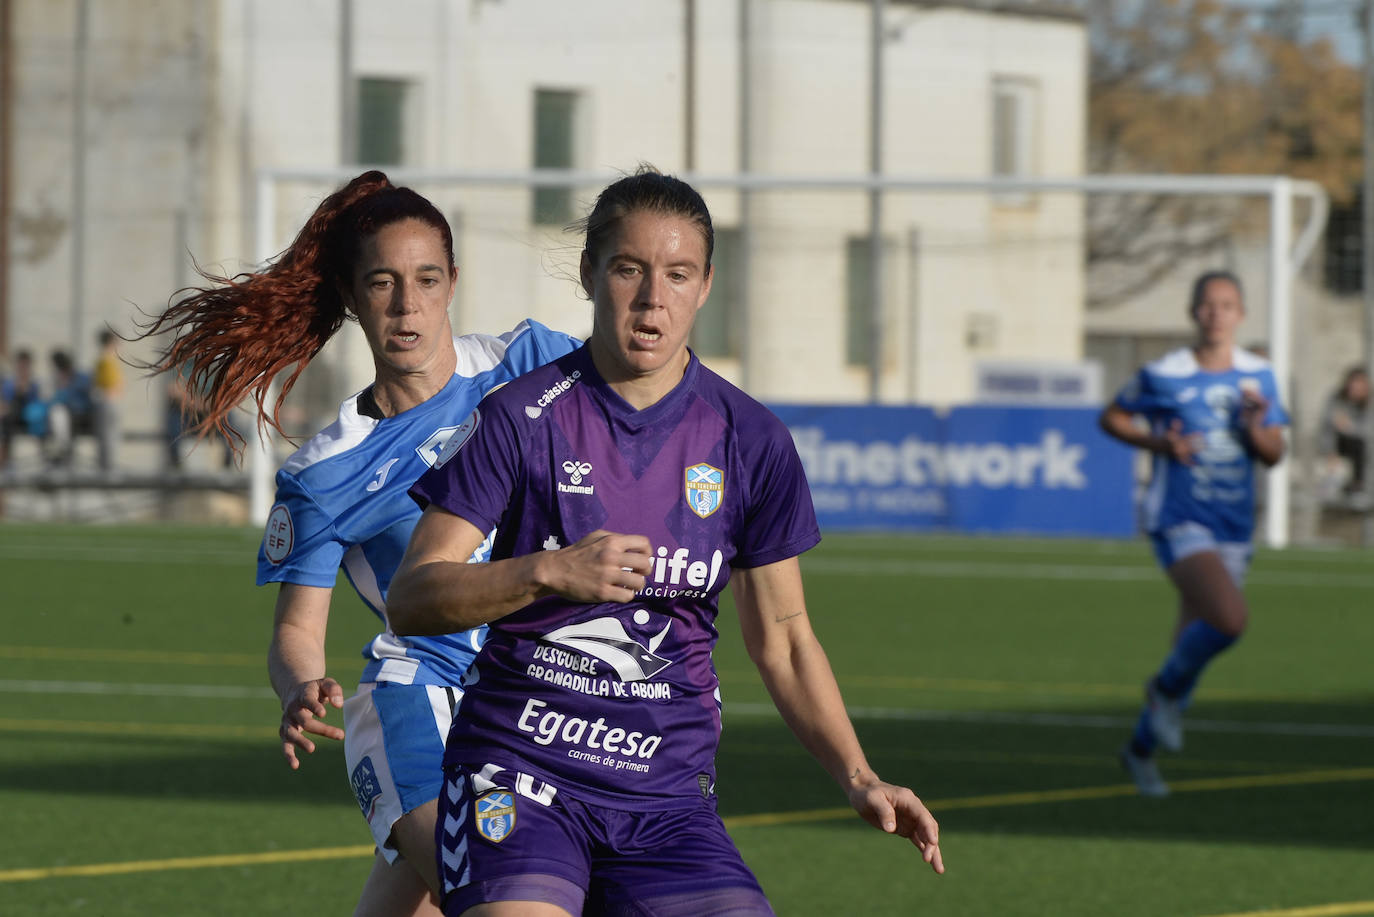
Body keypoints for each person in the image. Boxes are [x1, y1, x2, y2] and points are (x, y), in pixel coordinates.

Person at [387, 166, 944, 917]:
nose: (654, 299)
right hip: (519, 772)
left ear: (706, 284)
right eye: (629, 269)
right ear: (589, 272)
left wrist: (859, 774)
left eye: (678, 275)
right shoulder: (521, 417)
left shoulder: (751, 438)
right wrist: (548, 571)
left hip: (668, 800)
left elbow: (783, 636)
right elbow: (414, 596)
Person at [135, 170, 582, 917]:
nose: (407, 305)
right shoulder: (327, 470)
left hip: (547, 700)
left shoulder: (528, 364)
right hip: (421, 702)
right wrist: (300, 688)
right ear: (352, 296)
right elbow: (295, 631)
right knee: (504, 903)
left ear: (452, 283)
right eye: (383, 283)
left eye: (426, 279)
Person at [1099, 269, 1288, 797]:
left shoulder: (1260, 376)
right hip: (1179, 518)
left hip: (1233, 524)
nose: (1216, 313)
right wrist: (1161, 446)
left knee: (1189, 647)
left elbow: (1274, 453)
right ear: (1193, 312)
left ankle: (1139, 751)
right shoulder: (1165, 373)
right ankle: (1161, 693)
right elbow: (1111, 417)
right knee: (1229, 620)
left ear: (1242, 314)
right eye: (1207, 304)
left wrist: (1255, 429)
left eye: (1227, 305)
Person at [1317, 365, 1369, 502]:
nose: (1356, 389)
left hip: (1362, 449)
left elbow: (1368, 432)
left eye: (1360, 384)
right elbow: (1327, 427)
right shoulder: (1336, 400)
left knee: (1361, 446)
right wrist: (1330, 451)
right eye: (1353, 384)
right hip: (1338, 447)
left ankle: (1358, 486)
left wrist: (1350, 427)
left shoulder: (1369, 404)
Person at [45, 349, 94, 467]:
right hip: (66, 417)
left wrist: (65, 387)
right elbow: (54, 401)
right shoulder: (57, 380)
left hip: (80, 415)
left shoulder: (81, 378)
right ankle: (61, 449)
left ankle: (63, 450)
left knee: (60, 414)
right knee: (57, 413)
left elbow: (86, 400)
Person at [0, 349, 44, 467]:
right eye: (21, 365)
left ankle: (45, 458)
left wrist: (25, 388)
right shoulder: (9, 384)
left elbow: (38, 404)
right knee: (6, 420)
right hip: (12, 418)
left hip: (30, 418)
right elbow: (5, 403)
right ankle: (4, 460)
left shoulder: (34, 385)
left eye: (25, 365)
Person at [92, 328, 125, 471]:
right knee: (109, 437)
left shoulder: (104, 359)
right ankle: (108, 467)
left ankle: (106, 466)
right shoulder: (107, 360)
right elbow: (111, 386)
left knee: (108, 436)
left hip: (107, 402)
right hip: (109, 402)